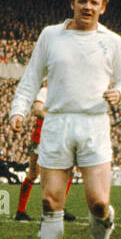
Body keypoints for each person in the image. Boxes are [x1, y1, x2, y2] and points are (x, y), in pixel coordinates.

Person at [9, 0, 121, 239]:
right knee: (51, 201)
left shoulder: (113, 42)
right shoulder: (51, 35)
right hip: (57, 123)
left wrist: (120, 93)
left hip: (94, 125)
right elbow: (32, 76)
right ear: (72, 3)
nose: (87, 7)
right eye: (82, 1)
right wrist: (18, 110)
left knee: (99, 204)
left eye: (94, 2)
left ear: (103, 6)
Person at [14, 85, 77, 222]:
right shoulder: (46, 90)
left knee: (68, 173)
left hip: (60, 138)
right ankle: (20, 210)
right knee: (33, 174)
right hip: (42, 139)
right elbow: (37, 110)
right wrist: (54, 117)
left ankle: (59, 207)